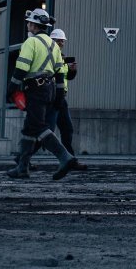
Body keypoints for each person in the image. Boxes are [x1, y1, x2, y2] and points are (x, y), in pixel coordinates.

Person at [6, 8, 79, 180]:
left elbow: (21, 68)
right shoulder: (54, 45)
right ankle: (22, 168)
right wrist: (59, 96)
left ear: (34, 24)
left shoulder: (30, 43)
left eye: (29, 22)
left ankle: (65, 157)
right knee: (29, 128)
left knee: (38, 127)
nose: (27, 25)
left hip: (36, 90)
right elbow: (60, 73)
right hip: (50, 90)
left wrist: (11, 89)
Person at [45, 28, 87, 170]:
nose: (62, 43)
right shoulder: (50, 56)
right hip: (51, 98)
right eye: (59, 40)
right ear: (53, 41)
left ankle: (70, 160)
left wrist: (72, 71)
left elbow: (66, 77)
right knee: (46, 131)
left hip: (60, 98)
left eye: (63, 41)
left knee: (67, 129)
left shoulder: (61, 56)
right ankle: (23, 158)